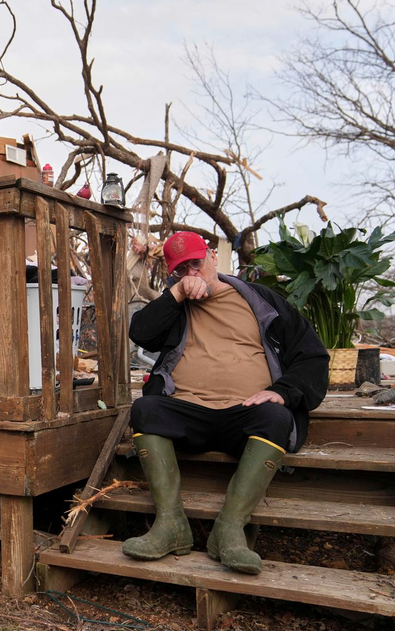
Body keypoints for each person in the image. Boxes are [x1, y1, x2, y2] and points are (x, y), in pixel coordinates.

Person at [123, 231, 329, 575]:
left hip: (244, 414)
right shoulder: (175, 305)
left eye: (196, 264)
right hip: (188, 412)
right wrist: (175, 294)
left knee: (277, 417)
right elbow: (141, 332)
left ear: (213, 258)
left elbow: (312, 356)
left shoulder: (263, 302)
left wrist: (282, 391)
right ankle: (171, 525)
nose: (192, 274)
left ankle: (230, 529)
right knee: (145, 409)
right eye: (181, 270)